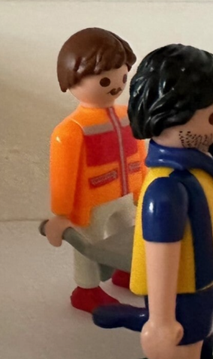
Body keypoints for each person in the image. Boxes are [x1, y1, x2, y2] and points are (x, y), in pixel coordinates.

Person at [127, 44, 213, 359]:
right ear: (168, 115)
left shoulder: (201, 165)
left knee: (202, 336)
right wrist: (160, 320)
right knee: (182, 355)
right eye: (212, 115)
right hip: (180, 292)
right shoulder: (166, 188)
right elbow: (160, 256)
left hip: (205, 282)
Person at [45, 28, 146, 313]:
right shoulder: (71, 130)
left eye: (123, 77)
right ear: (71, 79)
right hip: (90, 204)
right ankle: (86, 291)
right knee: (89, 246)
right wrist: (61, 215)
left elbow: (141, 153)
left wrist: (143, 185)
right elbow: (62, 177)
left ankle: (126, 271)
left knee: (130, 235)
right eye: (105, 80)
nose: (117, 86)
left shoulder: (128, 116)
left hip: (126, 195)